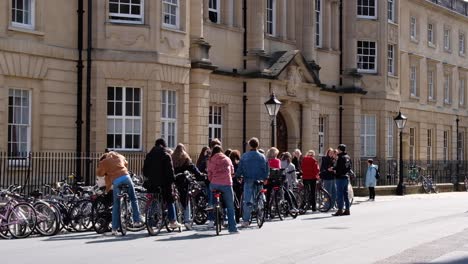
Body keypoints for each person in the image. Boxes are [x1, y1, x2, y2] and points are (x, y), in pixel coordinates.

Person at [96, 151, 142, 235]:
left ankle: (114, 229)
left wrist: (107, 172)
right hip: (126, 177)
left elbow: (99, 173)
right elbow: (126, 163)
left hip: (116, 181)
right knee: (133, 198)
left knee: (116, 204)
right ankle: (137, 221)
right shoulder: (119, 157)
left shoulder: (104, 162)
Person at [143, 138, 182, 228]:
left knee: (153, 200)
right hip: (164, 183)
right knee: (170, 199)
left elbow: (145, 171)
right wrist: (172, 180)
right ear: (164, 146)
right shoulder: (166, 155)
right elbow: (170, 172)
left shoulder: (149, 155)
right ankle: (173, 221)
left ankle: (151, 221)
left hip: (152, 183)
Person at [235, 137, 269, 228]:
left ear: (250, 145)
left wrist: (238, 176)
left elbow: (240, 168)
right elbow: (267, 168)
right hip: (260, 180)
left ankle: (246, 220)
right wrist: (266, 178)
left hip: (248, 179)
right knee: (260, 195)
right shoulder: (262, 156)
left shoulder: (245, 156)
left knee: (247, 201)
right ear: (257, 145)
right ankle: (260, 207)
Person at [172, 143, 205, 230]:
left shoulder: (172, 158)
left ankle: (173, 219)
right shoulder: (185, 159)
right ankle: (187, 221)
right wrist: (201, 175)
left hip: (174, 181)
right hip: (183, 182)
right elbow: (193, 169)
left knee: (174, 199)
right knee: (186, 201)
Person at [207, 145, 239, 233]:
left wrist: (212, 179)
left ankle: (212, 207)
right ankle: (232, 228)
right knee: (230, 206)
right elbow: (232, 171)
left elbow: (209, 173)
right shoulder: (227, 159)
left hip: (214, 184)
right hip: (226, 184)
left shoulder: (211, 160)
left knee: (212, 193)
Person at [332, 144, 352, 216]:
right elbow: (349, 167)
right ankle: (347, 209)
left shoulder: (340, 157)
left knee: (340, 194)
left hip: (340, 177)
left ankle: (340, 209)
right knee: (345, 194)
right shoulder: (348, 157)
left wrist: (333, 169)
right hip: (346, 177)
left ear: (340, 150)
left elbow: (338, 167)